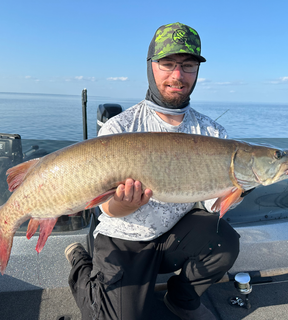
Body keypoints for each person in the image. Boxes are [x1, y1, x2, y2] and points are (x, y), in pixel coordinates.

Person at [65, 22, 240, 320]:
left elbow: (213, 204)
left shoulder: (212, 132)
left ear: (197, 71)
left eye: (187, 66)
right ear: (151, 66)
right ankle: (79, 261)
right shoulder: (119, 128)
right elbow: (105, 206)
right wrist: (123, 203)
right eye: (168, 64)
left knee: (225, 240)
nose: (177, 75)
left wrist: (240, 187)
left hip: (173, 234)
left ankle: (181, 299)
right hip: (125, 236)